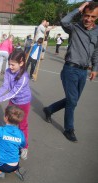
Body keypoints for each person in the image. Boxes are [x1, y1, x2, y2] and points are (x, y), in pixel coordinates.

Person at [43, 2, 98, 142]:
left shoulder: (97, 32)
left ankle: (49, 109)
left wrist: (95, 69)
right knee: (72, 101)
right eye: (86, 15)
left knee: (72, 101)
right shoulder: (74, 28)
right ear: (82, 14)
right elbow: (63, 21)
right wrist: (79, 8)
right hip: (70, 69)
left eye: (92, 16)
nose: (89, 19)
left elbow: (96, 52)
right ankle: (69, 129)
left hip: (83, 72)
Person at [0, 50, 31, 160]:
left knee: (22, 124)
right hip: (13, 101)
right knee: (8, 120)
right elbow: (5, 87)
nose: (10, 66)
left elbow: (13, 92)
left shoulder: (24, 77)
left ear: (21, 63)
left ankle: (24, 147)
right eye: (9, 64)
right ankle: (7, 139)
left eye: (13, 64)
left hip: (23, 102)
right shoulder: (8, 71)